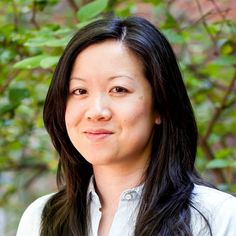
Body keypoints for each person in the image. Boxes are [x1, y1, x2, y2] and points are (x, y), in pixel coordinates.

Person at [16, 16, 236, 236]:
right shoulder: (41, 219)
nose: (96, 111)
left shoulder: (217, 218)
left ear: (160, 104)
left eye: (119, 89)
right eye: (79, 91)